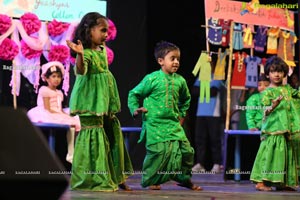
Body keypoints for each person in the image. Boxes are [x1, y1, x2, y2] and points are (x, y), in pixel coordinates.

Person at [66, 12, 133, 192]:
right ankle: (92, 178)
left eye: (107, 31)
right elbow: (81, 70)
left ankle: (116, 176)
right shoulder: (86, 53)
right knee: (93, 136)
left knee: (112, 132)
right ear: (89, 31)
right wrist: (79, 55)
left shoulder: (102, 50)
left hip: (104, 102)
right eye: (103, 30)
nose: (106, 34)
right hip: (90, 102)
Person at [128, 41, 202, 191]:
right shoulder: (152, 79)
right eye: (172, 58)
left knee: (186, 152)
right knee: (159, 153)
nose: (176, 62)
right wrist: (135, 109)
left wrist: (181, 115)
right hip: (154, 123)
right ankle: (152, 180)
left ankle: (183, 178)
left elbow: (186, 100)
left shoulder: (180, 81)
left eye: (178, 59)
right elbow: (134, 94)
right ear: (161, 61)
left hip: (173, 124)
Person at [250, 56, 299, 191]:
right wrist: (273, 105)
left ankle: (282, 182)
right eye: (273, 71)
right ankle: (261, 182)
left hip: (286, 129)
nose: (276, 74)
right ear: (267, 74)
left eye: (279, 71)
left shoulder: (287, 89)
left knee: (283, 155)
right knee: (269, 155)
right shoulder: (267, 92)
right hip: (273, 129)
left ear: (284, 73)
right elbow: (264, 111)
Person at [27, 61, 81, 164]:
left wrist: (65, 115)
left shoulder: (59, 93)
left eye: (59, 77)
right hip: (47, 112)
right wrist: (59, 114)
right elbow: (48, 108)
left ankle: (72, 152)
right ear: (47, 78)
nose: (56, 79)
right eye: (54, 76)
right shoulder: (44, 90)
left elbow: (59, 109)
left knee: (74, 122)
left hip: (56, 112)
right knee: (62, 123)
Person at [191, 64, 225, 173]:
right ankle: (200, 164)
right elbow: (194, 91)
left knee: (215, 139)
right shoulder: (202, 77)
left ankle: (217, 164)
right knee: (199, 139)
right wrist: (206, 89)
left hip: (213, 113)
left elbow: (213, 92)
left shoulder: (218, 77)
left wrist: (202, 89)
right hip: (200, 113)